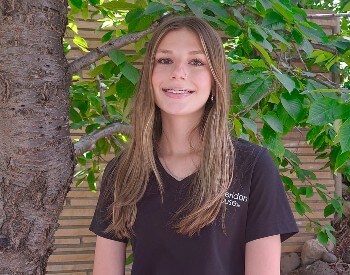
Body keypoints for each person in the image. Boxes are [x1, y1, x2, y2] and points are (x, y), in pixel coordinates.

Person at [90, 15, 299, 275]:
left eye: (196, 61)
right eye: (165, 60)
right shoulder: (123, 171)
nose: (178, 72)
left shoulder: (252, 166)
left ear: (214, 79)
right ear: (149, 76)